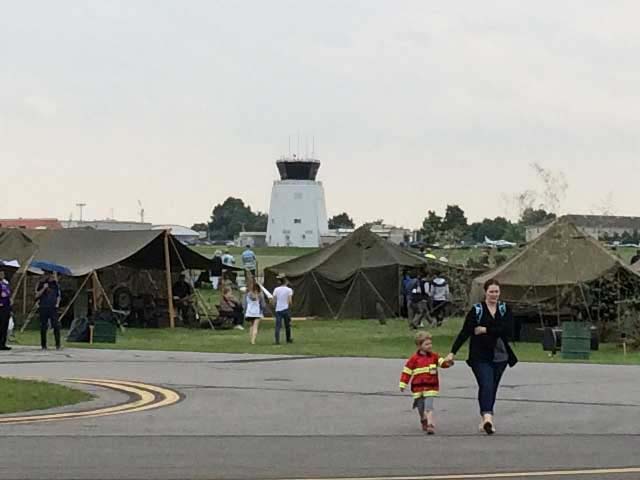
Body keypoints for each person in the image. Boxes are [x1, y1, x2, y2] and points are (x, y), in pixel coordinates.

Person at [445, 278, 517, 435]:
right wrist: (452, 352)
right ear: (485, 292)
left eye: (496, 291)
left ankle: (486, 415)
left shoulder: (505, 309)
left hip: (500, 356)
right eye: (491, 291)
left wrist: (486, 330)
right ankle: (488, 418)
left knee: (492, 387)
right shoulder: (477, 310)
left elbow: (509, 331)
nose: (494, 294)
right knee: (486, 384)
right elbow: (465, 332)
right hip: (480, 356)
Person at [399, 331, 452, 434]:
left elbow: (442, 363)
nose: (429, 346)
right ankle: (423, 419)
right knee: (421, 407)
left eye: (430, 343)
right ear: (419, 345)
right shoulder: (414, 359)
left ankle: (430, 424)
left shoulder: (434, 356)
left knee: (429, 406)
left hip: (431, 386)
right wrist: (403, 383)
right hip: (418, 388)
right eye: (426, 344)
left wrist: (448, 363)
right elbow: (407, 371)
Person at [35, 271, 62, 350]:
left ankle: (58, 344)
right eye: (51, 275)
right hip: (43, 307)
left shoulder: (55, 284)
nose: (53, 276)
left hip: (53, 308)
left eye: (54, 275)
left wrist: (57, 304)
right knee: (43, 326)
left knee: (56, 325)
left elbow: (58, 295)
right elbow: (36, 295)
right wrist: (44, 288)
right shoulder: (41, 283)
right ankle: (43, 345)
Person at [243, 279, 266, 345]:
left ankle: (251, 339)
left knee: (251, 325)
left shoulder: (248, 294)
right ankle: (253, 341)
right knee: (255, 327)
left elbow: (245, 304)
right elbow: (263, 305)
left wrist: (245, 311)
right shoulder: (260, 295)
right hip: (257, 313)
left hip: (249, 312)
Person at [272, 274, 293, 344]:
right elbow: (290, 301)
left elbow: (274, 301)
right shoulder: (289, 290)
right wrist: (290, 306)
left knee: (278, 326)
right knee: (287, 325)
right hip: (286, 309)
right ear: (285, 281)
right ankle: (288, 339)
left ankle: (277, 340)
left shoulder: (276, 289)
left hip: (278, 309)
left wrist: (274, 306)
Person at [0, 271, 12, 351]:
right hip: (1, 306)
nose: (2, 275)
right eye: (0, 274)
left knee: (5, 325)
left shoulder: (5, 283)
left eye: (3, 274)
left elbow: (7, 293)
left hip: (6, 306)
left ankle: (3, 343)